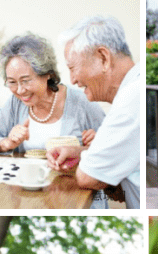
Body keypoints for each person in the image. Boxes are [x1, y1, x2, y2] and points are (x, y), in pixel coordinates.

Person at [47, 15, 140, 209]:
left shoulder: (130, 100)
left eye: (72, 68)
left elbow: (87, 177)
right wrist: (81, 152)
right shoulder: (133, 90)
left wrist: (86, 155)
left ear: (103, 58)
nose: (72, 80)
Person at [0, 33, 104, 155]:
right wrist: (7, 143)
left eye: (26, 81)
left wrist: (95, 142)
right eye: (12, 82)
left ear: (47, 74)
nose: (20, 90)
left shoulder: (80, 102)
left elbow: (112, 143)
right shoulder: (15, 102)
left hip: (67, 175)